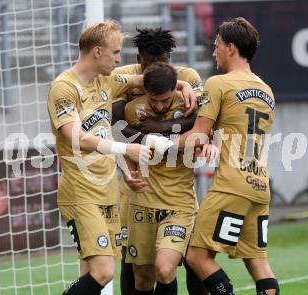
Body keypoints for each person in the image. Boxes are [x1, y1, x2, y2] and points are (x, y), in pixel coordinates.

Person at [46, 20, 195, 295]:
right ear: (97, 52)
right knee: (104, 272)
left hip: (107, 190)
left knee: (92, 272)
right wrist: (127, 149)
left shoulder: (108, 81)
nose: (119, 59)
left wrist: (183, 85)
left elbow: (147, 79)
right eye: (115, 52)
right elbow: (76, 137)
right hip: (80, 191)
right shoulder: (64, 87)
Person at [172, 17, 280, 295]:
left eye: (216, 44)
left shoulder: (219, 83)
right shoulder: (267, 90)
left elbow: (197, 135)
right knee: (258, 263)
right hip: (259, 186)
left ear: (231, 48)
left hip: (231, 184)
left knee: (196, 257)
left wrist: (158, 144)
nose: (213, 51)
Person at [111, 28, 206, 295]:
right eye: (147, 64)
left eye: (160, 63)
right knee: (135, 267)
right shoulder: (125, 78)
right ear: (138, 57)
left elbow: (200, 122)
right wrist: (151, 138)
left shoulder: (189, 77)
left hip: (178, 188)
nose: (153, 70)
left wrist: (160, 137)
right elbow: (115, 124)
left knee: (191, 258)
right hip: (137, 186)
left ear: (169, 58)